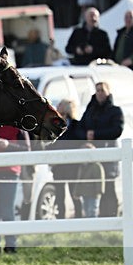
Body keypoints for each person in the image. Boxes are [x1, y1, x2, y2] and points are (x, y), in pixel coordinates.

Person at [79, 81, 123, 217]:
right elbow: (81, 126)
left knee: (109, 189)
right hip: (92, 157)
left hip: (108, 157)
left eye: (102, 90)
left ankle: (111, 218)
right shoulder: (90, 110)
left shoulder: (115, 111)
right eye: (97, 90)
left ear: (108, 92)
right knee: (93, 190)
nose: (99, 93)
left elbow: (116, 130)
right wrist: (86, 136)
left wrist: (96, 134)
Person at [48, 99, 86, 219]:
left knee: (75, 194)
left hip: (73, 166)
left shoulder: (76, 125)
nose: (57, 107)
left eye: (60, 105)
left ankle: (79, 219)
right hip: (58, 166)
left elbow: (81, 141)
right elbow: (49, 143)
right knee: (59, 196)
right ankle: (61, 220)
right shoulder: (54, 125)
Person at [73, 143, 105, 218]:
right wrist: (76, 192)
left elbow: (99, 179)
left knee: (92, 211)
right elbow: (79, 180)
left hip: (94, 194)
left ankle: (94, 224)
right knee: (86, 210)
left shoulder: (96, 166)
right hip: (84, 193)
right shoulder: (82, 167)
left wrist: (99, 191)